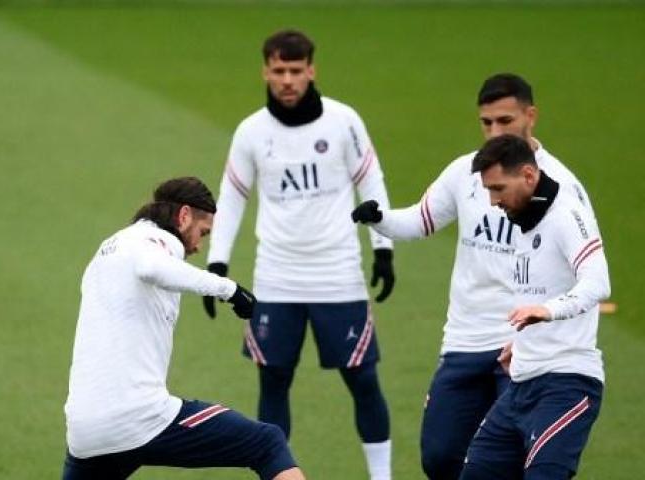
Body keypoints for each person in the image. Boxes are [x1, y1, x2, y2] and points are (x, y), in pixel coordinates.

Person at [351, 73, 595, 480]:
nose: (494, 132)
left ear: (530, 116)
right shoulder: (466, 172)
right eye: (487, 123)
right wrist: (382, 220)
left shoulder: (561, 188)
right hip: (464, 341)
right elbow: (421, 220)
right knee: (440, 456)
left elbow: (584, 279)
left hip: (520, 348)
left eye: (505, 121)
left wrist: (543, 340)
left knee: (518, 463)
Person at [203, 30, 395, 480]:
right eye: (278, 71)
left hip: (337, 273)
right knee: (273, 381)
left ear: (311, 70)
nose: (287, 80)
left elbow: (372, 184)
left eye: (295, 71)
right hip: (276, 277)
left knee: (363, 380)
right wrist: (218, 263)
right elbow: (232, 198)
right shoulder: (251, 131)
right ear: (265, 71)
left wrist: (383, 248)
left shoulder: (344, 121)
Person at [62, 177, 305, 480]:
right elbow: (152, 267)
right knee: (267, 442)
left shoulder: (110, 248)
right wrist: (229, 290)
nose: (198, 246)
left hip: (85, 433)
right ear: (184, 215)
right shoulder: (155, 242)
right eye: (202, 233)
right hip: (140, 418)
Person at [458, 134, 609, 479]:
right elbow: (545, 282)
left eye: (498, 189)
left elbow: (597, 281)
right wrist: (524, 344)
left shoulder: (566, 214)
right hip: (521, 384)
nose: (494, 202)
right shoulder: (523, 219)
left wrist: (547, 310)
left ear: (528, 176)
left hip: (566, 383)